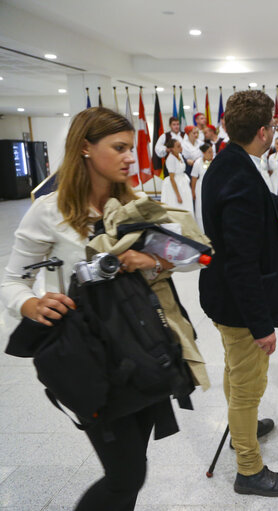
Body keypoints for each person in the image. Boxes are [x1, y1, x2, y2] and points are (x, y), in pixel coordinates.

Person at [0, 107, 183, 510]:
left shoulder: (133, 205)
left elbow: (176, 259)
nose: (129, 158)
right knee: (125, 475)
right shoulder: (50, 211)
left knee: (134, 470)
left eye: (130, 148)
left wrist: (147, 261)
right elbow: (12, 280)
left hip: (142, 349)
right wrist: (29, 303)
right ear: (85, 148)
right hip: (92, 359)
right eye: (118, 148)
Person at [199, 90, 278, 497]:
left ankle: (241, 425)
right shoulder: (241, 176)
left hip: (221, 296)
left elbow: (259, 203)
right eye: (274, 126)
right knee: (248, 384)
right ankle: (249, 468)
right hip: (239, 303)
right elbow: (242, 263)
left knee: (234, 368)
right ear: (263, 131)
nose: (275, 132)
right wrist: (263, 327)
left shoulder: (229, 162)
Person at [160, 138, 194, 213]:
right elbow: (172, 178)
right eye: (178, 146)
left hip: (183, 182)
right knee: (177, 205)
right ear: (172, 149)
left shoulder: (180, 155)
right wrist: (178, 195)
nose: (181, 147)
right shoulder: (170, 159)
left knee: (187, 204)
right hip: (175, 184)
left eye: (180, 145)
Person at [190, 143, 214, 229]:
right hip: (200, 188)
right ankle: (201, 228)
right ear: (203, 153)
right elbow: (194, 178)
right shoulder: (198, 162)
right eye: (209, 152)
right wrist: (193, 191)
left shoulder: (214, 161)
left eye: (212, 152)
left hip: (212, 187)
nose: (211, 154)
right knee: (200, 208)